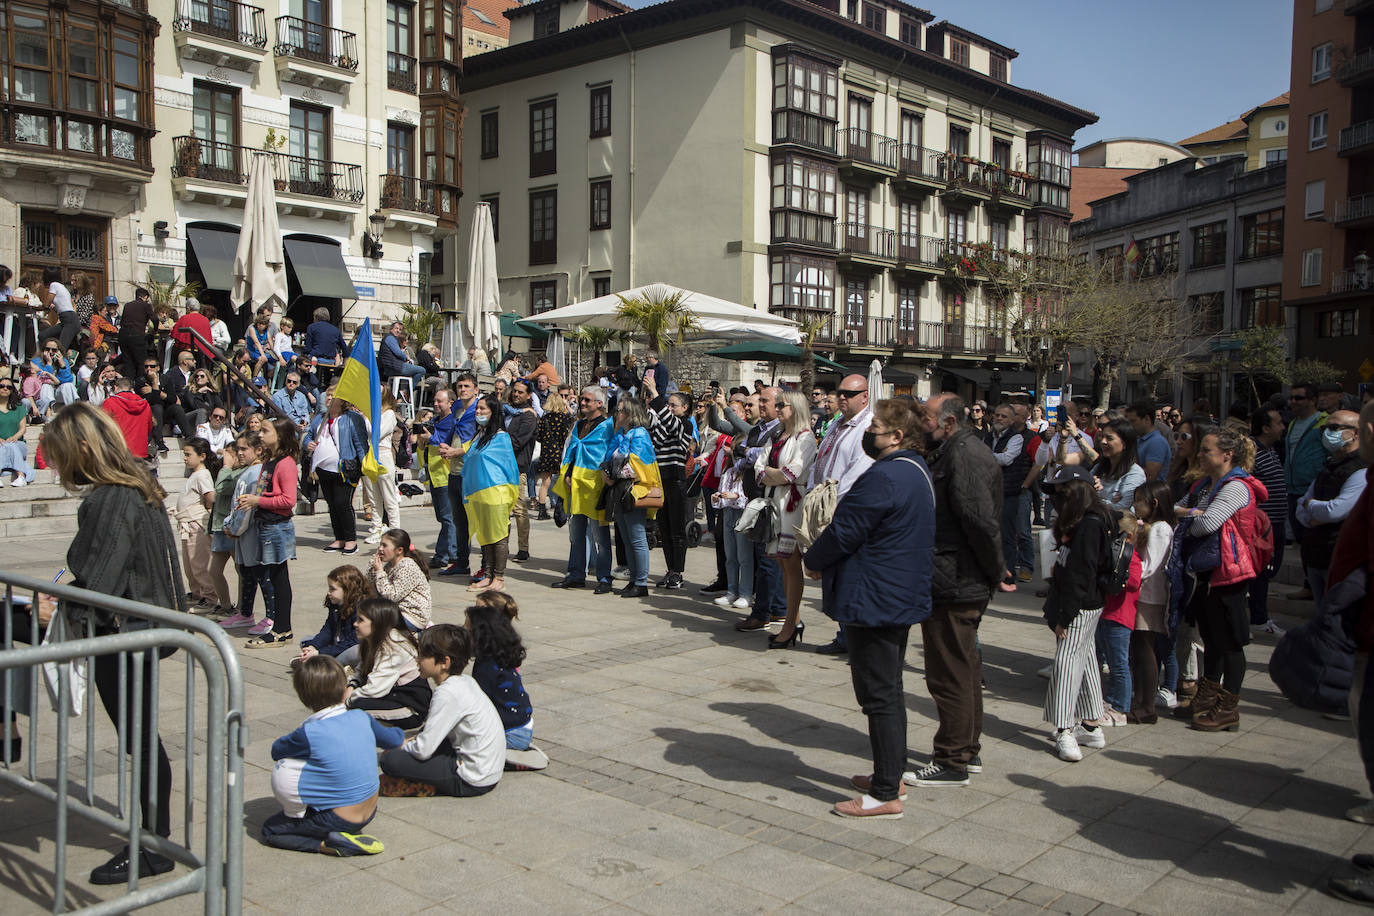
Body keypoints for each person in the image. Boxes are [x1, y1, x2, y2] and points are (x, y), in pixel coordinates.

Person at [38, 402, 183, 884]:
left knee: (140, 738)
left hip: (123, 632)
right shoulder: (135, 482)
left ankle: (154, 844)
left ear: (83, 445)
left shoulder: (114, 495)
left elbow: (98, 574)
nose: (58, 466)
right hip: (135, 626)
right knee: (141, 737)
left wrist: (59, 602)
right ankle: (154, 837)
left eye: (60, 453)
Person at [803, 399, 934, 818]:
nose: (868, 433)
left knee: (879, 695)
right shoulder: (915, 471)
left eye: (876, 427)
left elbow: (845, 530)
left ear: (897, 436)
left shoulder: (887, 475)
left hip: (875, 598)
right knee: (888, 690)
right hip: (895, 594)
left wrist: (813, 560)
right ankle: (889, 773)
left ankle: (884, 793)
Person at [912, 393, 1002, 786]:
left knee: (949, 672)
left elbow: (979, 521)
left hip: (956, 579)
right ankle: (967, 749)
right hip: (955, 577)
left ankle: (952, 758)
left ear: (949, 423)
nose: (922, 424)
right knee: (964, 668)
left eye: (928, 418)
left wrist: (995, 570)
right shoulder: (953, 451)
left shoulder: (963, 455)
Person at [260, 655, 399, 856]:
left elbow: (277, 751)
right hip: (370, 811)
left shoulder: (309, 733)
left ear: (303, 696)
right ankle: (334, 830)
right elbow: (393, 740)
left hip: (339, 818)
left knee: (270, 829)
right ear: (344, 689)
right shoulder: (360, 716)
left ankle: (327, 845)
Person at [1176, 427, 1267, 732]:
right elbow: (1178, 510)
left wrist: (1187, 516)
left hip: (1230, 574)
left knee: (1230, 642)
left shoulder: (1237, 487)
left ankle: (1229, 707)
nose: (1199, 455)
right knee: (1212, 639)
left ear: (1227, 455)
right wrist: (1192, 512)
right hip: (1205, 573)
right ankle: (1207, 696)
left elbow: (1207, 524)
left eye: (1206, 450)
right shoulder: (1205, 484)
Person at [378, 623, 505, 797]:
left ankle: (423, 786)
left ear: (444, 662)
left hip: (470, 779)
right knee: (406, 749)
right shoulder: (465, 682)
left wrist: (401, 747)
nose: (417, 660)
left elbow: (423, 750)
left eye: (422, 656)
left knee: (390, 760)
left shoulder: (447, 693)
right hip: (489, 771)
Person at [1041, 470, 1115, 762]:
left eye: (1060, 493)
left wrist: (1065, 615)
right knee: (1084, 660)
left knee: (1066, 665)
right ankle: (1092, 725)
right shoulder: (1088, 521)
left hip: (1079, 606)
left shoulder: (1089, 525)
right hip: (1085, 603)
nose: (1055, 499)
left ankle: (1064, 729)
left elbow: (1081, 575)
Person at [806, 374, 875, 655]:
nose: (843, 397)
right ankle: (845, 634)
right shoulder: (837, 424)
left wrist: (832, 502)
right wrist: (814, 491)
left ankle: (856, 638)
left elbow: (858, 470)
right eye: (840, 392)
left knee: (849, 577)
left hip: (844, 509)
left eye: (850, 393)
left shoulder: (868, 427)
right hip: (825, 506)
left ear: (865, 397)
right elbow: (821, 459)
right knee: (837, 577)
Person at [756, 390, 818, 648]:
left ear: (796, 408)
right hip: (775, 502)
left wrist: (771, 473)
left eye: (783, 405)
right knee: (782, 565)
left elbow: (790, 473)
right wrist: (772, 473)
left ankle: (790, 623)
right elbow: (759, 468)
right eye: (777, 404)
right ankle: (794, 619)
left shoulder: (805, 438)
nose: (778, 408)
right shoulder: (777, 436)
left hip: (790, 504)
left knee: (791, 565)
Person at [1295, 409, 1367, 607]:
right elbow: (1301, 506)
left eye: (1334, 428)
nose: (1328, 433)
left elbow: (1335, 511)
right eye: (1325, 429)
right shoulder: (1329, 466)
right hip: (1315, 555)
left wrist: (1313, 507)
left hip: (1339, 557)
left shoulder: (1362, 470)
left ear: (1356, 433)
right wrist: (1313, 513)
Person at [239, 417, 300, 647]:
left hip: (277, 526)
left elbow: (288, 500)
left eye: (265, 431)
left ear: (280, 435)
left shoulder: (285, 463)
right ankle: (280, 628)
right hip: (267, 525)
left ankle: (282, 629)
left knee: (278, 577)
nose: (260, 435)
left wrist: (258, 500)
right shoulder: (270, 460)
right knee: (274, 576)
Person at [551, 387, 615, 592]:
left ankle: (604, 578)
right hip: (575, 487)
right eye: (581, 399)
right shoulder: (578, 424)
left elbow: (611, 454)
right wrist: (567, 475)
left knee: (600, 537)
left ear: (600, 403)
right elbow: (572, 451)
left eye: (587, 400)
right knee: (576, 535)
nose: (583, 402)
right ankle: (576, 574)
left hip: (596, 486)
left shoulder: (608, 426)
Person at [458, 394, 520, 592]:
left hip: (496, 493)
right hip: (479, 494)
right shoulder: (480, 437)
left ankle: (499, 578)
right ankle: (488, 574)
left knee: (499, 536)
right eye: (477, 409)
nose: (478, 412)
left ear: (493, 412)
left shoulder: (501, 437)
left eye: (483, 409)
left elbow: (508, 468)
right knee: (485, 536)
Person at [466, 600, 539, 758]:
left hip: (511, 733)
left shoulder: (486, 666)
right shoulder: (499, 655)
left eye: (468, 629)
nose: (465, 632)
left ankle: (514, 757)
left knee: (461, 747)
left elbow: (478, 706)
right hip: (521, 726)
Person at [218, 432, 275, 632]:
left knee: (261, 574)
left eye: (244, 449)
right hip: (243, 533)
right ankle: (245, 613)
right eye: (238, 449)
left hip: (251, 532)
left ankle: (271, 617)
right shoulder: (247, 472)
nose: (239, 453)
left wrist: (233, 527)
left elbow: (245, 508)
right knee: (246, 572)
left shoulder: (256, 473)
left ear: (258, 450)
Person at [344, 598, 432, 728]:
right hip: (390, 696)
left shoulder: (394, 647)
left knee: (354, 710)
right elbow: (361, 669)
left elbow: (375, 689)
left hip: (409, 707)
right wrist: (351, 685)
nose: (355, 624)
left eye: (361, 620)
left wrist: (348, 699)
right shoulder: (373, 640)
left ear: (377, 623)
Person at [605, 398, 661, 598]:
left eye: (619, 410)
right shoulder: (621, 434)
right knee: (627, 539)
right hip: (620, 490)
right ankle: (633, 579)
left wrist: (612, 474)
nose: (616, 414)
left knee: (637, 539)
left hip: (634, 490)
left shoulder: (639, 434)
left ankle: (641, 582)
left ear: (630, 414)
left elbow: (638, 465)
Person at [1129, 480, 1173, 723]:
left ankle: (1147, 705)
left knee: (1146, 649)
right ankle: (1141, 700)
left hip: (1150, 597)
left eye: (1139, 501)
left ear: (1154, 503)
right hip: (1141, 595)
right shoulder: (1150, 527)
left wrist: (1127, 567)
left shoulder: (1161, 529)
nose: (1135, 505)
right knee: (1139, 648)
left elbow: (1149, 567)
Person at [303, 391, 368, 554]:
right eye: (328, 395)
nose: (329, 398)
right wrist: (307, 443)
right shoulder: (319, 417)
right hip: (323, 470)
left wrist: (365, 465)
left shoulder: (352, 418)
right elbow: (309, 436)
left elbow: (360, 443)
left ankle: (350, 540)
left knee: (342, 503)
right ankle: (339, 538)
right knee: (332, 504)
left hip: (345, 469)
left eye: (333, 395)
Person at [644, 373, 691, 588]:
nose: (670, 408)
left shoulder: (686, 425)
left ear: (685, 408)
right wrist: (648, 399)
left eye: (674, 405)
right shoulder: (663, 425)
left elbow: (670, 423)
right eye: (668, 405)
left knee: (677, 529)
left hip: (676, 480)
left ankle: (678, 572)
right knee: (664, 528)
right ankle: (670, 569)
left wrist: (655, 394)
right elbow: (652, 425)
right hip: (660, 480)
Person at [1286, 382, 1330, 601]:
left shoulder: (1323, 423)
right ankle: (1309, 585)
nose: (1294, 401)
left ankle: (1315, 586)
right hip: (1294, 489)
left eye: (1299, 398)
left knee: (1314, 541)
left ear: (1312, 400)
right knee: (1303, 541)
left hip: (1314, 489)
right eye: (1292, 398)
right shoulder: (1293, 423)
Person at [1248, 406, 1288, 635]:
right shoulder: (1252, 453)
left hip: (1277, 523)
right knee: (1261, 572)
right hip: (1263, 528)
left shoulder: (1271, 451)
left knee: (1268, 572)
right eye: (1278, 423)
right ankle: (1258, 619)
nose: (1283, 427)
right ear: (1265, 427)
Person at [434, 374, 479, 578]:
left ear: (476, 389)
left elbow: (479, 441)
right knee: (459, 521)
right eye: (460, 386)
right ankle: (461, 561)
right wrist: (446, 446)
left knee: (477, 521)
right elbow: (454, 434)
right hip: (454, 471)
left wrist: (456, 451)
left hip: (471, 472)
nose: (463, 389)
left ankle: (487, 566)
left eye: (467, 386)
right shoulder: (457, 410)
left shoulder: (480, 410)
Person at [991, 403, 1033, 588]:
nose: (999, 419)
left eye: (1004, 416)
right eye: (997, 415)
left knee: (1008, 535)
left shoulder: (1016, 437)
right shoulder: (987, 436)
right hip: (989, 492)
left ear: (1011, 420)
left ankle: (1008, 573)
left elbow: (1007, 459)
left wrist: (985, 455)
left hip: (1009, 493)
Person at [175, 437, 219, 608]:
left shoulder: (202, 475)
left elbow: (210, 498)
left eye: (188, 454)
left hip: (196, 524)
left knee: (199, 564)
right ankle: (196, 593)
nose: (185, 458)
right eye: (184, 454)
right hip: (188, 524)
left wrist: (203, 511)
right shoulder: (195, 474)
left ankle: (209, 598)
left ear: (202, 456)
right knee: (190, 564)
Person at [417, 389, 460, 569]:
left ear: (450, 402)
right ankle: (452, 552)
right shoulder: (434, 421)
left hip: (445, 475)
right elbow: (422, 445)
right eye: (434, 401)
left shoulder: (453, 422)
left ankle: (444, 555)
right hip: (434, 475)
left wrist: (431, 437)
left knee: (447, 518)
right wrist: (422, 437)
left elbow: (446, 441)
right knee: (443, 518)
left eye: (439, 401)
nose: (435, 404)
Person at [298, 565, 371, 660]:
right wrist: (313, 647)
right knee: (305, 640)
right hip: (335, 645)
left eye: (333, 589)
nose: (329, 592)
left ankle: (325, 664)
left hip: (346, 648)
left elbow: (352, 641)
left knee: (356, 651)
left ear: (347, 590)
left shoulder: (361, 609)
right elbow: (327, 631)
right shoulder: (335, 605)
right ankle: (316, 660)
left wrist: (320, 653)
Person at [366, 529, 432, 630]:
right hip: (395, 611)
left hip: (412, 616)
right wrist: (373, 565)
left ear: (399, 550)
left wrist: (379, 571)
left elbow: (390, 596)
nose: (380, 548)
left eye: (384, 545)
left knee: (371, 624)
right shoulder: (390, 566)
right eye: (380, 545)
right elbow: (370, 586)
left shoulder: (407, 566)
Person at [205, 442, 243, 617]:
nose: (225, 457)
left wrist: (226, 467)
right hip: (220, 526)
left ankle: (243, 608)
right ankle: (226, 605)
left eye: (229, 453)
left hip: (232, 526)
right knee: (214, 570)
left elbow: (221, 488)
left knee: (240, 569)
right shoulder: (227, 472)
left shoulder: (238, 473)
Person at [362, 389, 402, 545]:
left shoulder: (389, 414)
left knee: (388, 496)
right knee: (373, 496)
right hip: (369, 455)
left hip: (383, 457)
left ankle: (395, 530)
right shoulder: (371, 413)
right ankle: (377, 527)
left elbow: (375, 432)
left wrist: (366, 418)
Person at [505, 379, 539, 562]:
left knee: (519, 509)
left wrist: (500, 440)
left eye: (520, 392)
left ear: (528, 395)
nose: (516, 394)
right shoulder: (510, 412)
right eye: (515, 391)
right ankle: (503, 546)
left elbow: (517, 442)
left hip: (518, 468)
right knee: (504, 510)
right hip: (502, 467)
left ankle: (523, 549)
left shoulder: (528, 416)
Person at [534, 386, 573, 519]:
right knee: (563, 480)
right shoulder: (563, 418)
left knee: (545, 482)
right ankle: (561, 508)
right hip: (559, 453)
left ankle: (541, 510)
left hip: (546, 453)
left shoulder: (544, 419)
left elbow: (538, 437)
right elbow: (566, 436)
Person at [1091, 418, 1146, 511]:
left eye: (1109, 438)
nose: (1103, 442)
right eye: (1102, 437)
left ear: (1125, 443)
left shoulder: (1135, 474)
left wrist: (1094, 498)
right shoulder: (1098, 468)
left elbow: (1122, 508)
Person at [100, 376, 155, 465]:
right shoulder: (144, 403)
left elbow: (102, 427)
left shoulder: (109, 402)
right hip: (140, 452)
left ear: (115, 388)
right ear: (131, 389)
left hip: (118, 452)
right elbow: (149, 427)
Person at [34, 267, 80, 354]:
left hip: (69, 320)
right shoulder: (62, 287)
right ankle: (45, 356)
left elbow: (48, 300)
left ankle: (62, 364)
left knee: (61, 348)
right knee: (42, 335)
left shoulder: (54, 285)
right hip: (66, 320)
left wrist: (44, 307)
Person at [0, 376, 35, 487]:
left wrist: (14, 437)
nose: (5, 389)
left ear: (12, 390)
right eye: (2, 386)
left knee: (10, 445)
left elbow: (23, 429)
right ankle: (22, 476)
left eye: (8, 387)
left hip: (17, 443)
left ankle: (20, 476)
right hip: (1, 444)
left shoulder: (18, 408)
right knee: (5, 447)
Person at [1125, 400, 1172, 482]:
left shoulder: (1157, 442)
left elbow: (1150, 475)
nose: (1130, 425)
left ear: (1146, 419)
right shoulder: (1139, 440)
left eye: (1133, 421)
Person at [118, 288, 154, 379]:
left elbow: (122, 322)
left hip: (123, 335)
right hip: (137, 335)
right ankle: (140, 384)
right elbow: (155, 319)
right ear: (144, 297)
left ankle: (129, 383)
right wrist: (155, 330)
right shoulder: (146, 305)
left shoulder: (127, 305)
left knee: (128, 361)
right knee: (141, 361)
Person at [303, 308, 345, 382]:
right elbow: (344, 349)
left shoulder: (312, 327)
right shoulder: (335, 330)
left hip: (316, 360)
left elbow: (308, 348)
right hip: (330, 361)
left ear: (316, 317)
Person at [379, 322, 425, 386]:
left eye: (400, 329)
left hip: (391, 367)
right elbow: (398, 353)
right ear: (391, 329)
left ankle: (402, 390)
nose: (398, 331)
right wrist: (407, 358)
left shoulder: (390, 338)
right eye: (396, 328)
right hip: (395, 367)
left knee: (410, 374)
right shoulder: (390, 338)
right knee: (422, 370)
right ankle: (406, 391)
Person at [170, 299, 214, 364]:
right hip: (202, 352)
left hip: (186, 350)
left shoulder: (184, 318)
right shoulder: (205, 320)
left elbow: (174, 333)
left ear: (188, 308)